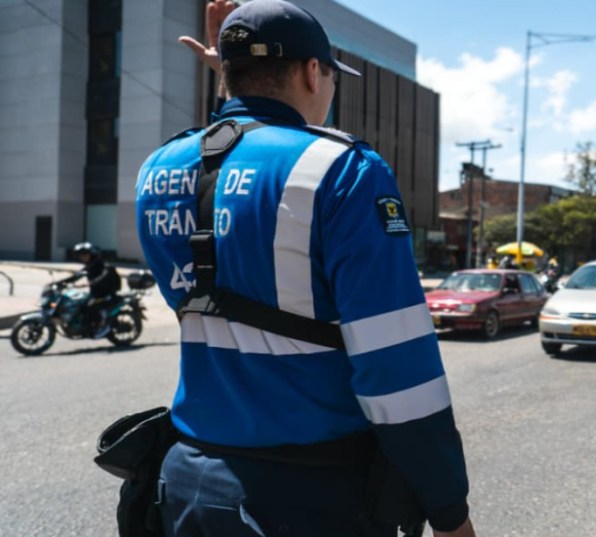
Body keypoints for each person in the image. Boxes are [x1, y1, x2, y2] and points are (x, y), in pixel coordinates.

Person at [135, 1, 475, 536]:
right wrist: (449, 510)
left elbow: (229, 166)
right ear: (313, 72)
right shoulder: (343, 170)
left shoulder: (160, 168)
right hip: (308, 495)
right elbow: (398, 371)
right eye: (332, 77)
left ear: (230, 75)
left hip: (185, 484)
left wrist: (233, 79)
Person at [62, 241, 122, 337]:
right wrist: (61, 282)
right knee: (79, 304)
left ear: (92, 254)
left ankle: (102, 327)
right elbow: (78, 275)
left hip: (106, 294)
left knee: (92, 307)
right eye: (81, 255)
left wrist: (89, 283)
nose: (83, 257)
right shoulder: (90, 266)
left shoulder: (104, 266)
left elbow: (102, 277)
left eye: (85, 254)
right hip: (95, 293)